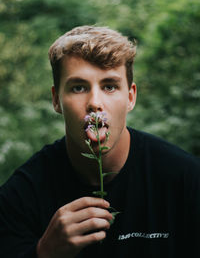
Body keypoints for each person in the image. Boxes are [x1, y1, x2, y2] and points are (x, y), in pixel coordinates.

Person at [0, 25, 200, 258]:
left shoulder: (187, 180)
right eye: (78, 87)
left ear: (130, 97)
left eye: (109, 86)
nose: (95, 102)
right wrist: (44, 253)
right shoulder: (21, 197)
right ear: (56, 100)